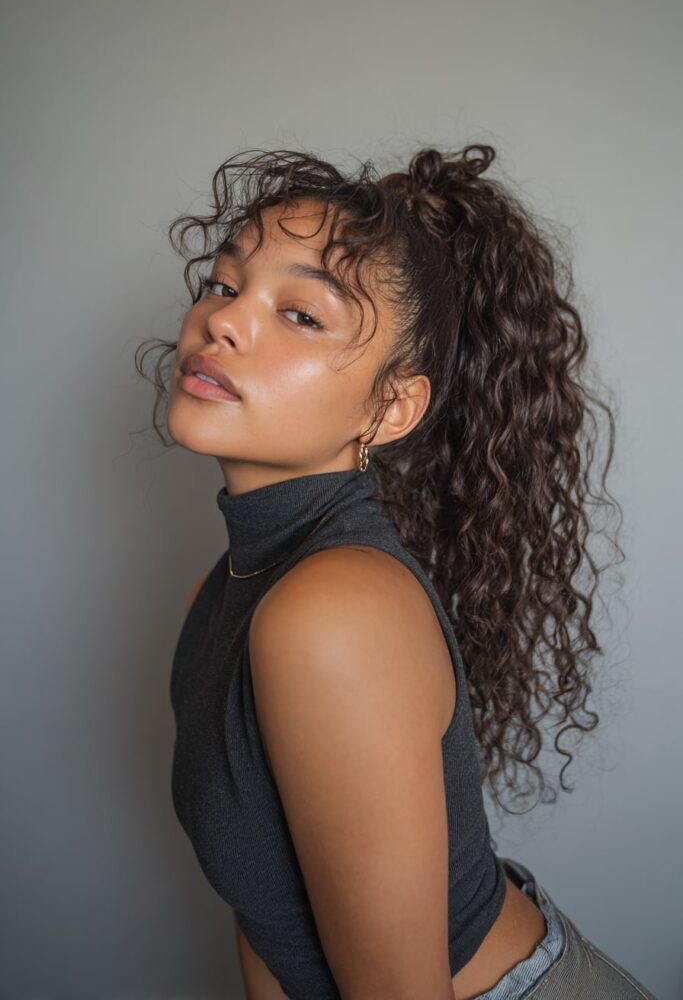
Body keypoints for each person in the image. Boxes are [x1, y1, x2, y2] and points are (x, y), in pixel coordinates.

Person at [137, 145, 658, 999]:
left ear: (391, 408)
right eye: (225, 285)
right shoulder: (225, 593)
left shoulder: (332, 609)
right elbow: (265, 912)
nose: (221, 322)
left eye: (300, 314)